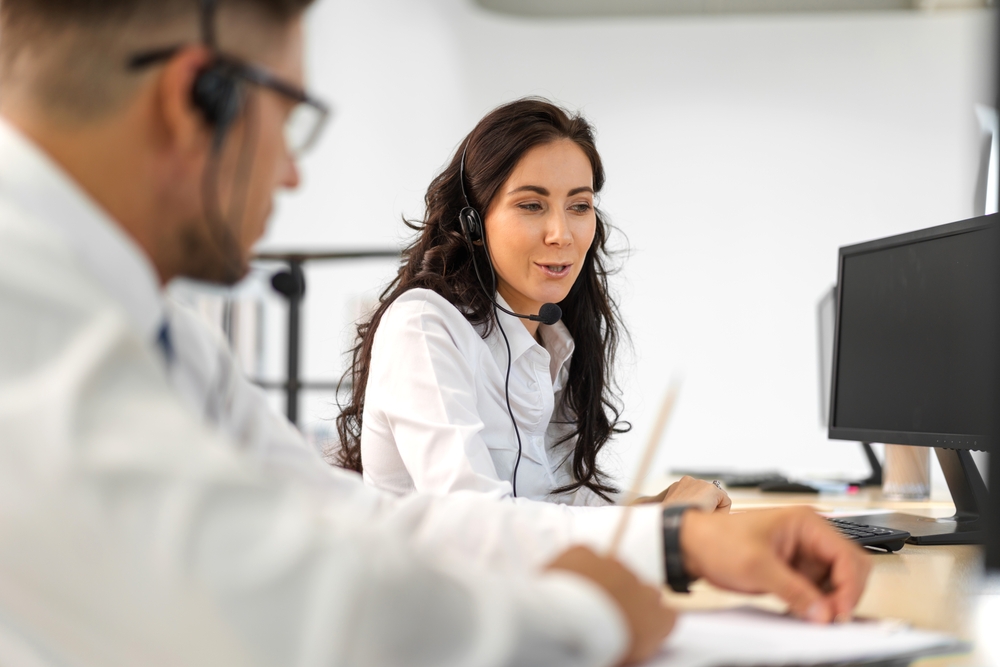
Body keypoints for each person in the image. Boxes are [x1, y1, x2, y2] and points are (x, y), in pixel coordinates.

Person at [0, 0, 871, 664]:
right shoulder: (28, 324)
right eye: (290, 118)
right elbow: (299, 608)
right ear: (195, 101)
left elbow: (364, 524)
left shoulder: (167, 337)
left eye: (580, 207)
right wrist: (589, 617)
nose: (295, 170)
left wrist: (675, 542)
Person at [338, 98, 730, 512]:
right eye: (531, 205)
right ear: (472, 220)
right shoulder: (423, 327)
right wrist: (656, 527)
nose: (561, 234)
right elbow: (478, 522)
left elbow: (559, 497)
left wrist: (660, 508)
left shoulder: (553, 338)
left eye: (579, 206)